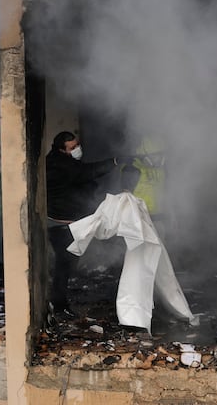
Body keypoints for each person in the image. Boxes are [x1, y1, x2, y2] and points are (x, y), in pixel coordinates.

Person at [46, 131, 127, 318]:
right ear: (61, 150)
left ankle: (58, 302)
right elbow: (87, 173)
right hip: (60, 227)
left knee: (68, 263)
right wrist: (114, 162)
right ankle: (58, 305)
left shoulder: (63, 161)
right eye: (72, 148)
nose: (77, 150)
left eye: (77, 145)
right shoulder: (59, 165)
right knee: (64, 264)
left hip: (70, 224)